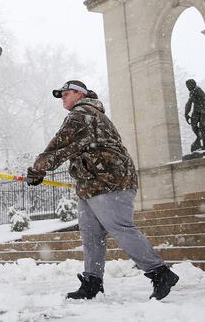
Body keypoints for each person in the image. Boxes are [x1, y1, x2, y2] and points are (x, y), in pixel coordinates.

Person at [27, 80, 179, 301]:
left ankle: (160, 273)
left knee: (120, 228)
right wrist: (40, 169)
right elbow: (71, 148)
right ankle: (92, 283)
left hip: (109, 181)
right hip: (91, 184)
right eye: (61, 95)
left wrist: (37, 169)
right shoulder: (88, 114)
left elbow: (59, 144)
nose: (63, 98)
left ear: (80, 94)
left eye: (66, 93)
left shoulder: (83, 113)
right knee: (91, 234)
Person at [184, 79, 205, 152]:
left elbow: (190, 102)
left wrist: (187, 113)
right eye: (187, 86)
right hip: (197, 111)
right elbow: (189, 103)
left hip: (203, 111)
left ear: (192, 85)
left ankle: (204, 146)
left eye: (188, 86)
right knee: (194, 125)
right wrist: (186, 114)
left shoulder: (196, 91)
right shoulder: (193, 91)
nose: (187, 88)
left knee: (202, 127)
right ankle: (199, 137)